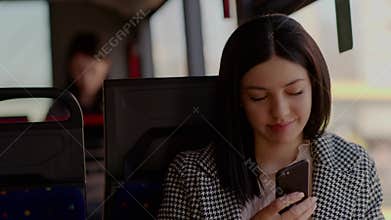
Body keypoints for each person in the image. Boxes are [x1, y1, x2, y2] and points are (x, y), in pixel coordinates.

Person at [157, 14, 384, 219]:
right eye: (258, 97)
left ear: (315, 86)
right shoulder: (190, 175)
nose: (280, 112)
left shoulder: (355, 167)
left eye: (295, 92)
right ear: (238, 99)